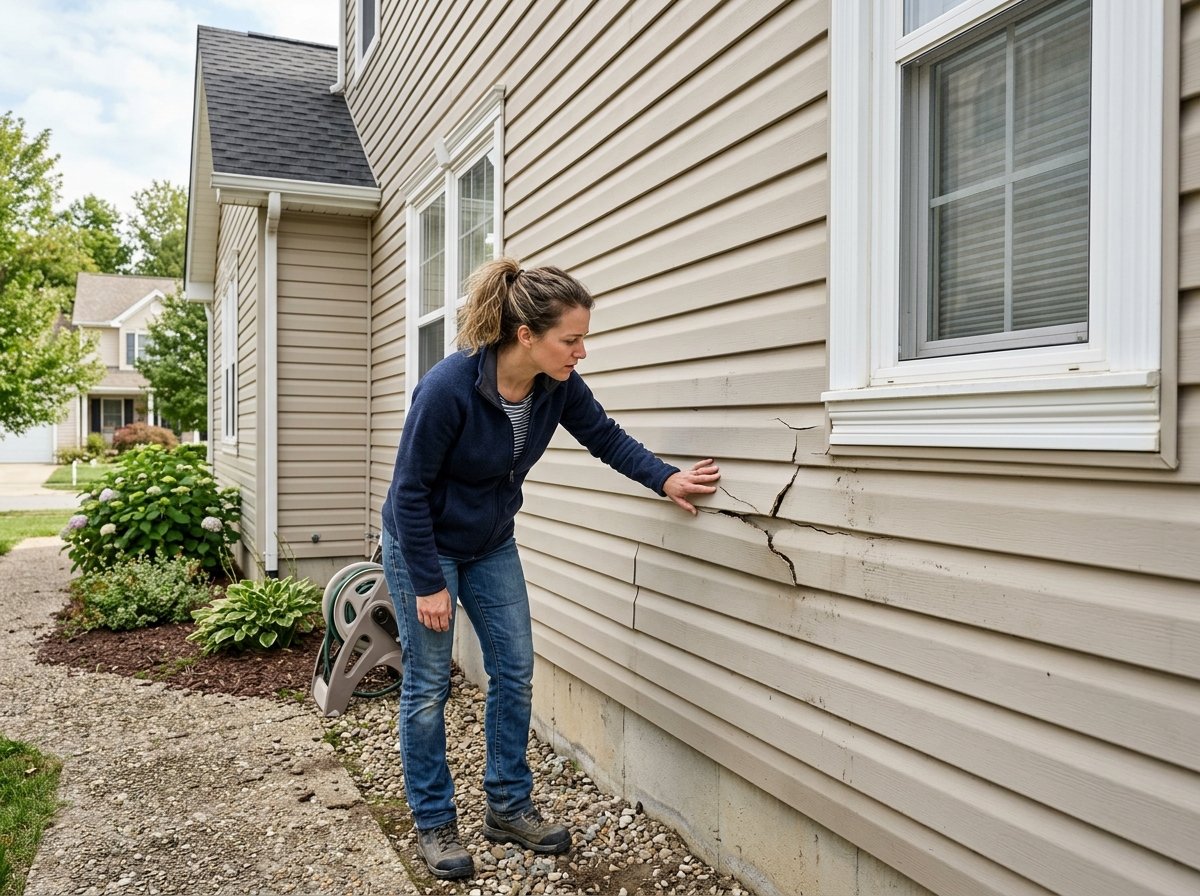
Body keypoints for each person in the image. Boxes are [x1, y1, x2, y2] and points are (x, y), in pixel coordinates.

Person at [380, 256, 721, 880]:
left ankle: (508, 806)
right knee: (427, 686)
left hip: (490, 543)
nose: (581, 352)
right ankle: (433, 819)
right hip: (423, 544)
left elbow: (606, 437)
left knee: (514, 670)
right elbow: (408, 492)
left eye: (582, 338)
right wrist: (428, 582)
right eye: (572, 339)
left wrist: (665, 477)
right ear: (526, 336)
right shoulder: (449, 388)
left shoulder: (553, 387)